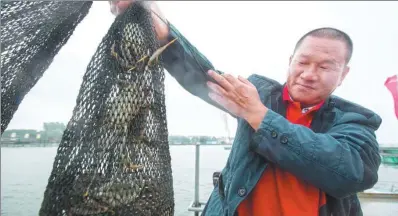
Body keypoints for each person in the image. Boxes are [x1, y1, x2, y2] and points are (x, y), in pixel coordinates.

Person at [110, 1, 383, 216]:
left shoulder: (355, 120)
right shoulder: (260, 92)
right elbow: (206, 78)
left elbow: (351, 172)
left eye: (325, 67)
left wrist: (258, 116)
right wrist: (165, 34)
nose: (309, 74)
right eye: (302, 62)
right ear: (290, 61)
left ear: (344, 74)